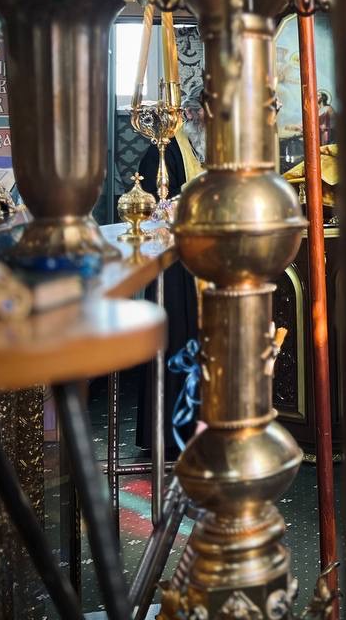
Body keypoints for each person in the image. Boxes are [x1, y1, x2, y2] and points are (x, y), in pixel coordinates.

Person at [133, 92, 206, 459]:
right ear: (189, 115)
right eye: (204, 115)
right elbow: (150, 205)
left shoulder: (202, 150)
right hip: (172, 265)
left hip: (202, 262)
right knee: (176, 341)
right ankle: (170, 435)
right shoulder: (163, 151)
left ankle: (201, 429)